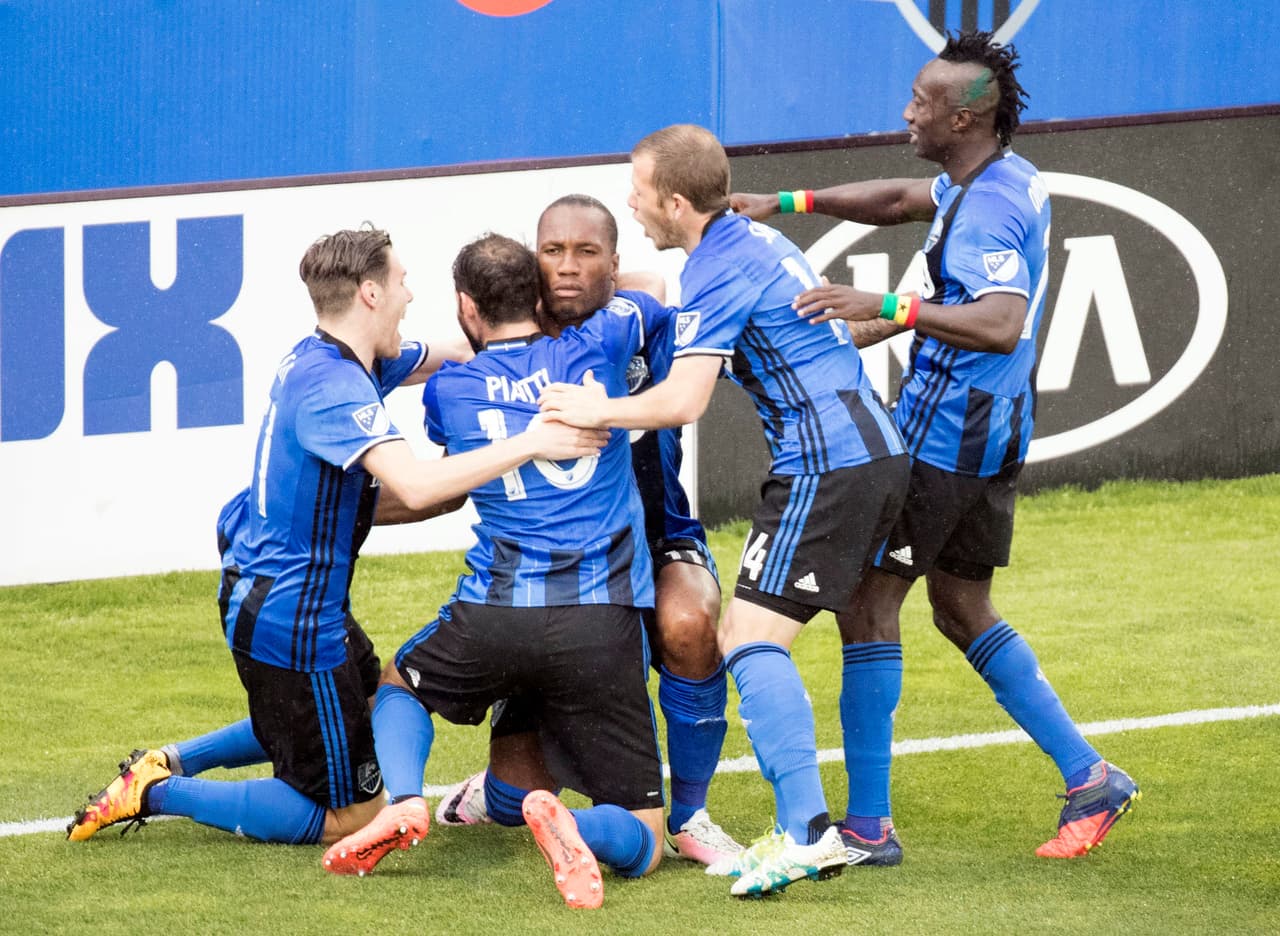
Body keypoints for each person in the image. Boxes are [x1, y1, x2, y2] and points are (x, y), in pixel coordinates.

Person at [731, 29, 1140, 861]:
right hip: (994, 428)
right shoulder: (995, 177)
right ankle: (1090, 777)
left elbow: (1002, 321)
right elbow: (899, 200)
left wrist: (887, 306)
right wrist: (787, 204)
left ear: (962, 118)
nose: (907, 112)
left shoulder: (985, 206)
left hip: (948, 433)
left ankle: (869, 826)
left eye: (922, 103)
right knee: (959, 605)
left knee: (867, 602)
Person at [65, 226, 606, 848]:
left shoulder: (335, 356)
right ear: (371, 294)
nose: (410, 293)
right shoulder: (334, 388)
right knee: (352, 815)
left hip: (279, 593)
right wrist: (534, 441)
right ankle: (155, 792)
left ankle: (170, 758)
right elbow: (420, 486)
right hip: (294, 621)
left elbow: (459, 350)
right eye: (401, 282)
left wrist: (546, 335)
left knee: (361, 700)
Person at [538, 126, 910, 897]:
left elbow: (682, 402)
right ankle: (863, 824)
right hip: (878, 450)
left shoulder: (715, 268)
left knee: (744, 635)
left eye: (638, 194)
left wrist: (594, 407)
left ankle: (807, 834)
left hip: (826, 463)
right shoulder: (758, 242)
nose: (632, 206)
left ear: (675, 202)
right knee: (860, 622)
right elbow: (825, 334)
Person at [321, 233, 669, 910]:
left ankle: (405, 800)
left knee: (399, 685)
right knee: (648, 834)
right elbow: (649, 290)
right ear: (541, 293)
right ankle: (579, 825)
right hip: (601, 620)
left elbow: (451, 475)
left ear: (465, 308)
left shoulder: (450, 389)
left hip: (493, 617)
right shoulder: (602, 339)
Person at [432, 194, 741, 867]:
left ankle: (689, 816)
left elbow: (653, 287)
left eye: (587, 254)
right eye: (552, 253)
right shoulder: (518, 347)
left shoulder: (636, 324)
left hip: (659, 538)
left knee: (686, 622)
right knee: (518, 793)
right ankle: (504, 793)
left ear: (614, 262)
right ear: (528, 265)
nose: (567, 268)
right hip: (561, 577)